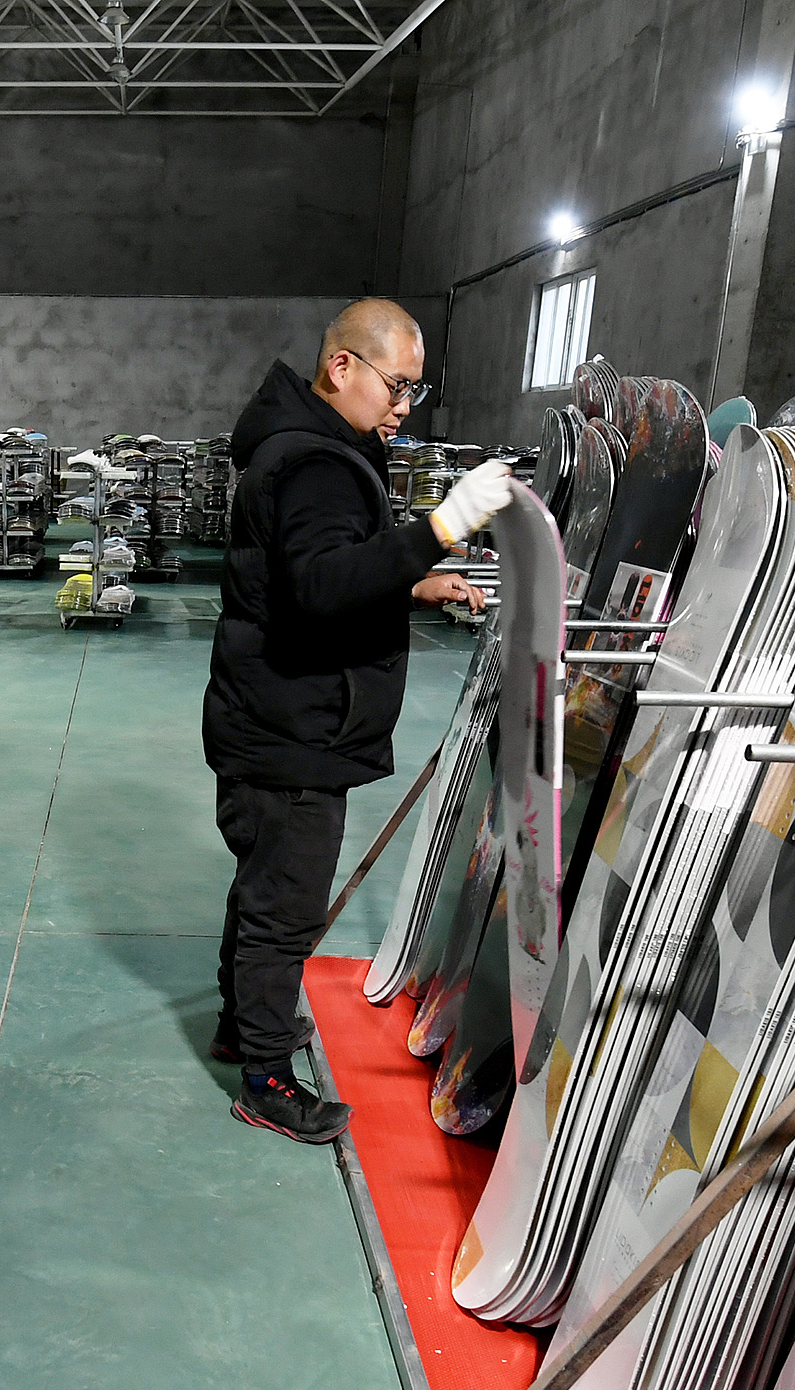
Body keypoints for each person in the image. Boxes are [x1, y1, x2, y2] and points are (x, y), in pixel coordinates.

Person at [203, 297, 513, 1143]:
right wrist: (442, 528)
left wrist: (410, 581)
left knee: (264, 885)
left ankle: (241, 1024)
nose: (406, 405)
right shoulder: (317, 464)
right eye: (396, 384)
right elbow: (320, 588)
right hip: (293, 728)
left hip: (271, 715)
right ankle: (266, 1078)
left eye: (416, 388)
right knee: (285, 909)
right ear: (341, 366)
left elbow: (312, 572)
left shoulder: (311, 446)